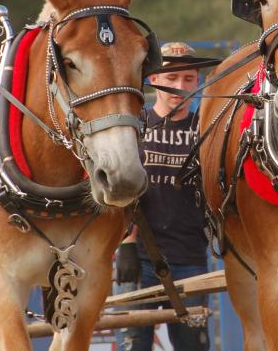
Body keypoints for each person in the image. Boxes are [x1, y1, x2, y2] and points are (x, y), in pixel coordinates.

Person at [114, 42, 209, 351]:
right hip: (139, 259)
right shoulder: (134, 124)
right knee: (133, 347)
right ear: (153, 79)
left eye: (188, 79)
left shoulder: (205, 130)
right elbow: (119, 188)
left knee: (192, 348)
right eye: (171, 78)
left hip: (190, 261)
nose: (179, 87)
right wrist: (127, 245)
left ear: (197, 83)